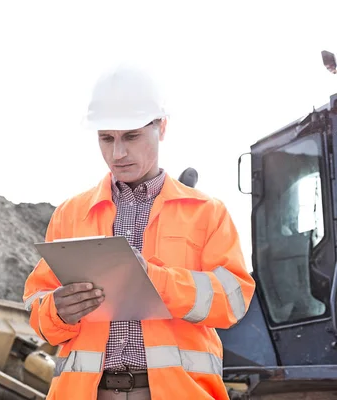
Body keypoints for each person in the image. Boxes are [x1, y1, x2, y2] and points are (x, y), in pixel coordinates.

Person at [22, 62, 256, 400]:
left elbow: (233, 301)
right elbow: (36, 306)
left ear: (161, 128)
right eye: (107, 139)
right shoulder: (71, 214)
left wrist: (155, 280)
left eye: (131, 136)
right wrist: (58, 310)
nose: (118, 153)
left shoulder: (207, 213)